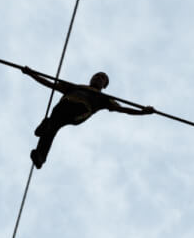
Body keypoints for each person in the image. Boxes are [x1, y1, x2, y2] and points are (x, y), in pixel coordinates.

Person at [20, 67, 152, 168]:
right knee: (51, 130)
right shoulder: (76, 87)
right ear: (91, 78)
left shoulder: (105, 99)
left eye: (102, 78)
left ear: (104, 85)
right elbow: (49, 83)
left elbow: (123, 109)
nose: (98, 78)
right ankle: (41, 156)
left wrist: (142, 112)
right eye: (96, 76)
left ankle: (46, 124)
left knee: (54, 120)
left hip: (79, 112)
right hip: (62, 108)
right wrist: (31, 73)